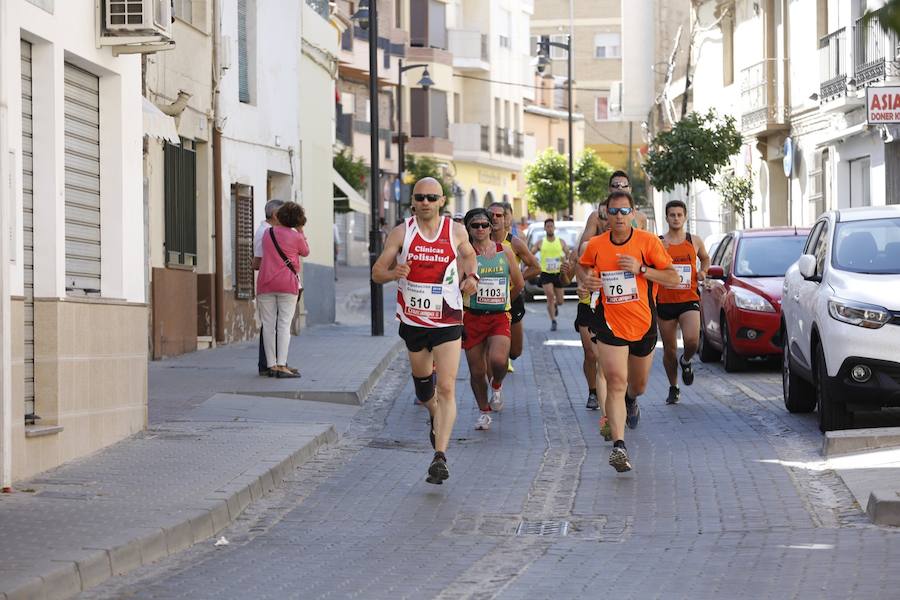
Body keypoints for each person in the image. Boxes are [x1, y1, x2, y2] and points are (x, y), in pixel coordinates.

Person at [372, 177, 477, 485]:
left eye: (432, 197)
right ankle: (433, 412)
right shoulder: (402, 232)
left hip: (447, 319)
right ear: (413, 201)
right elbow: (377, 272)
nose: (426, 202)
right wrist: (394, 273)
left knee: (446, 387)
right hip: (414, 322)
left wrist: (471, 276)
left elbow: (469, 254)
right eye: (421, 197)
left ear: (441, 201)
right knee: (424, 389)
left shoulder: (455, 230)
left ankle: (440, 456)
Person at [577, 191, 679, 472]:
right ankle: (619, 446)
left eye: (624, 212)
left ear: (633, 214)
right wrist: (586, 284)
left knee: (637, 386)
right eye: (614, 212)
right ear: (605, 215)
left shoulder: (647, 242)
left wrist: (641, 268)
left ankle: (632, 401)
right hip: (609, 323)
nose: (619, 217)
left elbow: (672, 277)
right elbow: (583, 272)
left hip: (643, 324)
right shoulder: (596, 245)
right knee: (615, 381)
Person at [462, 208, 524, 431]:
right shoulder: (464, 255)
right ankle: (483, 412)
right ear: (468, 228)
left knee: (499, 361)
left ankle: (496, 385)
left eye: (484, 225)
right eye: (475, 225)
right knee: (477, 371)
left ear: (490, 227)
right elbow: (454, 288)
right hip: (472, 317)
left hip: (498, 316)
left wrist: (504, 301)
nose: (480, 229)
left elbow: (519, 283)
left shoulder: (504, 252)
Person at [657, 199, 710, 405]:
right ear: (667, 217)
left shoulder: (694, 240)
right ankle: (673, 386)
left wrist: (703, 271)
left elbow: (705, 258)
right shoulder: (659, 241)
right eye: (672, 215)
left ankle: (686, 361)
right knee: (669, 349)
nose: (676, 218)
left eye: (679, 215)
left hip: (689, 298)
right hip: (665, 300)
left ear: (685, 217)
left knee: (692, 341)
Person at [257, 202, 310, 379]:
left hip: (265, 283)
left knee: (268, 326)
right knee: (284, 325)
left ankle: (271, 365)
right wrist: (300, 230)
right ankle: (281, 364)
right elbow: (306, 252)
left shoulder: (267, 233)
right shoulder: (296, 237)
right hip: (287, 285)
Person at [488, 202, 540, 371]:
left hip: (512, 297)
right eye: (491, 215)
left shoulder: (514, 243)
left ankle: (504, 355)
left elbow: (536, 267)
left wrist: (517, 278)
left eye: (499, 215)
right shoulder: (479, 240)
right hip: (487, 300)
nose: (494, 218)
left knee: (516, 351)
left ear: (505, 220)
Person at [574, 170, 648, 258]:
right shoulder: (597, 216)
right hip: (605, 263)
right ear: (610, 189)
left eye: (624, 185)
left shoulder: (641, 217)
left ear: (630, 189)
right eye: (615, 185)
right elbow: (583, 250)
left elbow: (646, 246)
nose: (620, 188)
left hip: (632, 264)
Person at [531, 218, 569, 331]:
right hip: (546, 273)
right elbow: (530, 254)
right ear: (545, 228)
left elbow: (568, 254)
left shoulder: (561, 241)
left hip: (558, 274)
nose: (550, 228)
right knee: (550, 296)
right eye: (548, 226)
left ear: (554, 228)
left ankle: (556, 305)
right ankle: (553, 320)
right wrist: (535, 263)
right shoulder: (540, 242)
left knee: (561, 301)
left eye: (551, 226)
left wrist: (565, 260)